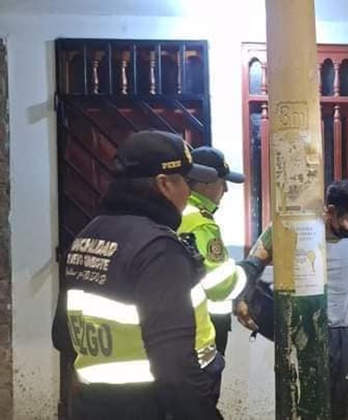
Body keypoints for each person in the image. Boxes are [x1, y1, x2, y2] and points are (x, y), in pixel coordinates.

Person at [52, 130, 226, 419]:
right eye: (186, 181)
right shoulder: (159, 250)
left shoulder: (88, 235)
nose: (189, 192)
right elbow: (176, 373)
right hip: (150, 406)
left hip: (92, 407)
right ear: (164, 184)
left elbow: (62, 336)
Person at [236, 179, 348, 420]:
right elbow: (253, 263)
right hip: (305, 333)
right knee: (306, 407)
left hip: (341, 334)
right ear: (331, 210)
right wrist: (241, 299)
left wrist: (334, 305)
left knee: (339, 409)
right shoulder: (295, 227)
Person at [177, 146, 247, 357]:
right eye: (222, 182)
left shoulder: (178, 212)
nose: (225, 190)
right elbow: (220, 285)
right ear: (205, 182)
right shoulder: (200, 222)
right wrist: (250, 269)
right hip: (203, 326)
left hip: (181, 325)